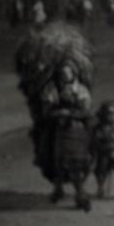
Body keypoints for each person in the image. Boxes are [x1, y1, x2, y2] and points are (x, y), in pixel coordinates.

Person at [38, 61, 93, 211]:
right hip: (56, 129)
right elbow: (46, 111)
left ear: (73, 74)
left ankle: (80, 193)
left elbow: (86, 111)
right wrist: (56, 114)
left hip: (76, 129)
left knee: (77, 161)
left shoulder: (80, 90)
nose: (65, 76)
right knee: (54, 159)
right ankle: (58, 188)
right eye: (62, 73)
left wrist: (70, 113)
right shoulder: (51, 90)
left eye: (68, 73)